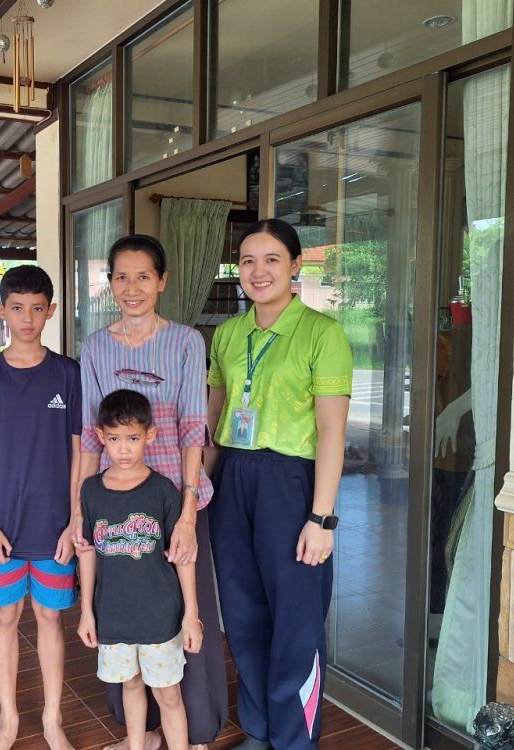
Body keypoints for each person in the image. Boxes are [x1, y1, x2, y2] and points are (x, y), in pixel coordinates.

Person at [205, 218, 352, 750]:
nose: (258, 271)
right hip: (233, 477)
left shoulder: (322, 333)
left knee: (296, 619)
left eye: (271, 259)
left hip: (292, 483)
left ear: (294, 265)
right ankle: (260, 729)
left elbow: (332, 432)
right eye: (247, 260)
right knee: (242, 612)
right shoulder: (228, 335)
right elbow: (214, 418)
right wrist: (199, 486)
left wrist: (321, 518)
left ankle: (294, 739)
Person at [78, 234, 227, 750]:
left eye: (143, 276)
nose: (132, 287)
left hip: (174, 500)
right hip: (116, 501)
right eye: (122, 276)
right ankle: (140, 734)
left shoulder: (186, 342)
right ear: (110, 283)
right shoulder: (96, 347)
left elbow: (192, 429)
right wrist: (79, 508)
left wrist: (187, 513)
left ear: (162, 281)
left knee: (186, 612)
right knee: (124, 609)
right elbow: (88, 434)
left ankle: (192, 731)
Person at [0, 265, 82, 750]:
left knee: (50, 618)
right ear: (1, 311)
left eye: (37, 308)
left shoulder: (68, 373)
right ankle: (8, 720)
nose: (27, 318)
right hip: (2, 529)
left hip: (55, 526)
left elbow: (79, 452)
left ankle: (53, 719)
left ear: (51, 311)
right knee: (5, 618)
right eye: (17, 308)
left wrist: (74, 520)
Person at [77, 389, 203, 750]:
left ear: (150, 435)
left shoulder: (163, 490)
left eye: (132, 438)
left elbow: (183, 557)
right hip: (113, 616)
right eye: (114, 439)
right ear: (100, 437)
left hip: (160, 617)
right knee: (130, 685)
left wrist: (191, 615)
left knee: (168, 694)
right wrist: (86, 612)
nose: (123, 449)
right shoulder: (91, 491)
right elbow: (87, 553)